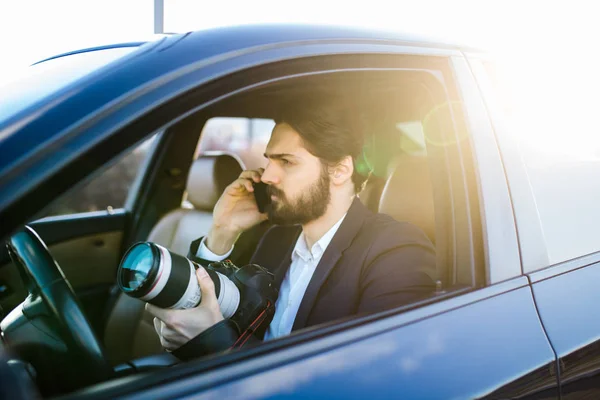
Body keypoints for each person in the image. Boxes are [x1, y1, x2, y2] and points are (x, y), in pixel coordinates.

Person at [146, 101, 436, 360]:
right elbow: (212, 304)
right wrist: (224, 229)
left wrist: (218, 346)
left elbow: (375, 377)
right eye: (269, 160)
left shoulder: (396, 251)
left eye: (287, 162)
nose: (268, 176)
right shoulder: (276, 239)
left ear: (340, 170)